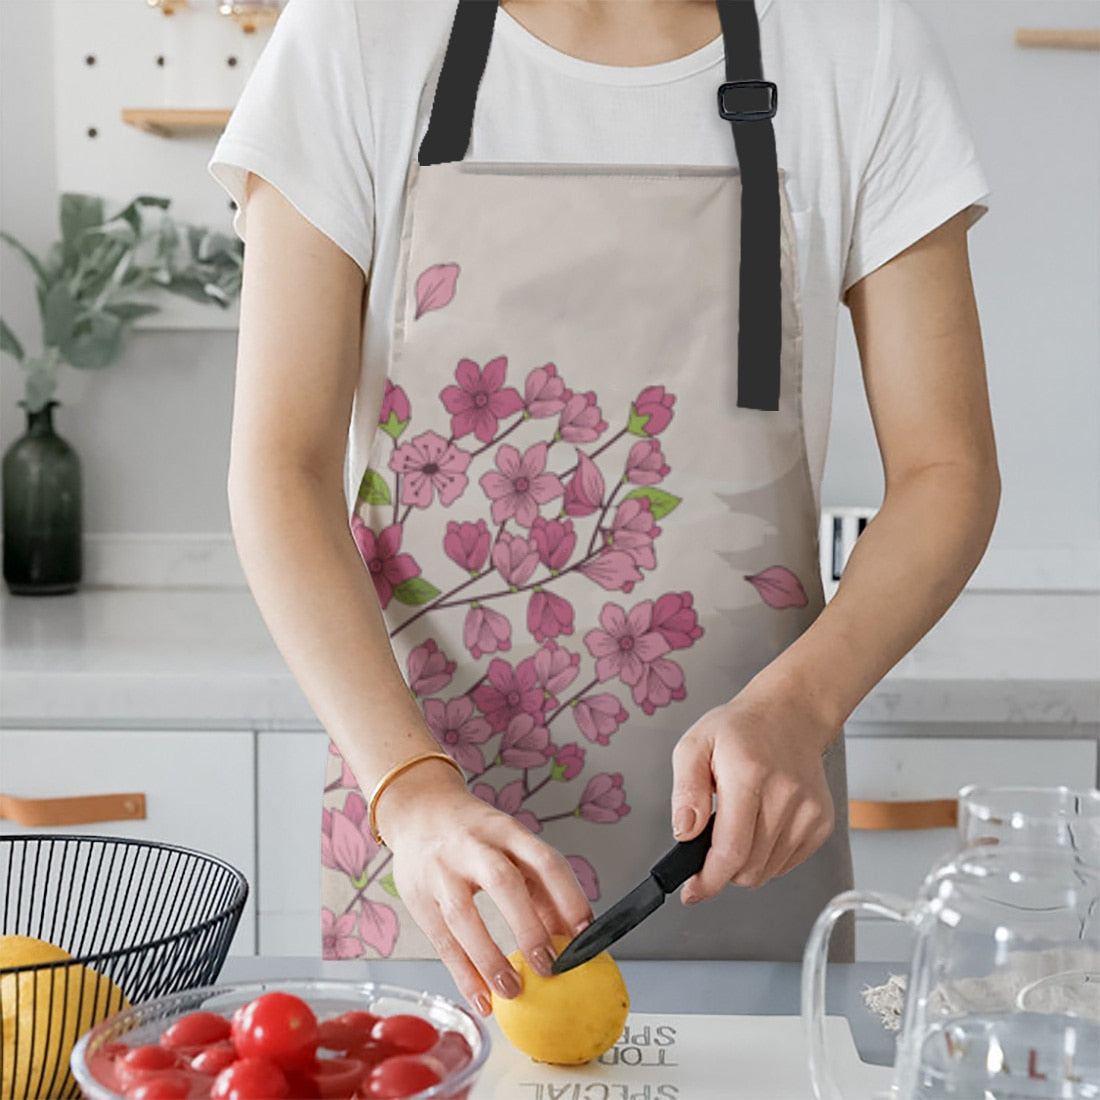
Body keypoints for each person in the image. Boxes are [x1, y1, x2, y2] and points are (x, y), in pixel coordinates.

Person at [209, 0, 999, 1020]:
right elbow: (279, 466)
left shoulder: (855, 42)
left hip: (734, 842)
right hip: (437, 853)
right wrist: (410, 789)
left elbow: (947, 468)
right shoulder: (357, 32)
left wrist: (799, 705)